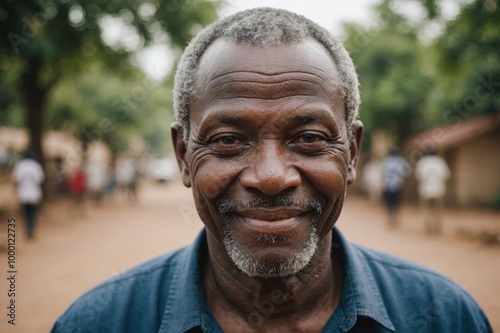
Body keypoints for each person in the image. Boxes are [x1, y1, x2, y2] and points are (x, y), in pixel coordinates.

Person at [51, 8, 492, 332]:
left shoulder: (445, 317)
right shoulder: (97, 323)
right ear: (183, 154)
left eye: (310, 139)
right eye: (227, 141)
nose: (270, 176)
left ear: (352, 153)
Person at [415, 149, 450, 235]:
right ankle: (437, 226)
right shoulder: (440, 162)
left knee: (427, 209)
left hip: (425, 190)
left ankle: (429, 226)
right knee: (438, 209)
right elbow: (446, 175)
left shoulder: (422, 163)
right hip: (439, 190)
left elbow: (418, 176)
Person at [12, 149, 44, 239]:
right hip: (34, 193)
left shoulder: (20, 166)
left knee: (25, 213)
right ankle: (31, 228)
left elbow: (16, 180)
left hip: (23, 193)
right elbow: (40, 180)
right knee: (32, 212)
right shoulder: (36, 166)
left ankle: (27, 229)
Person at [381, 148, 408, 228]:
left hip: (388, 186)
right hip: (398, 186)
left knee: (389, 203)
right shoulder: (400, 161)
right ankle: (395, 218)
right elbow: (405, 171)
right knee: (396, 203)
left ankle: (390, 218)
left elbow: (382, 172)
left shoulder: (386, 161)